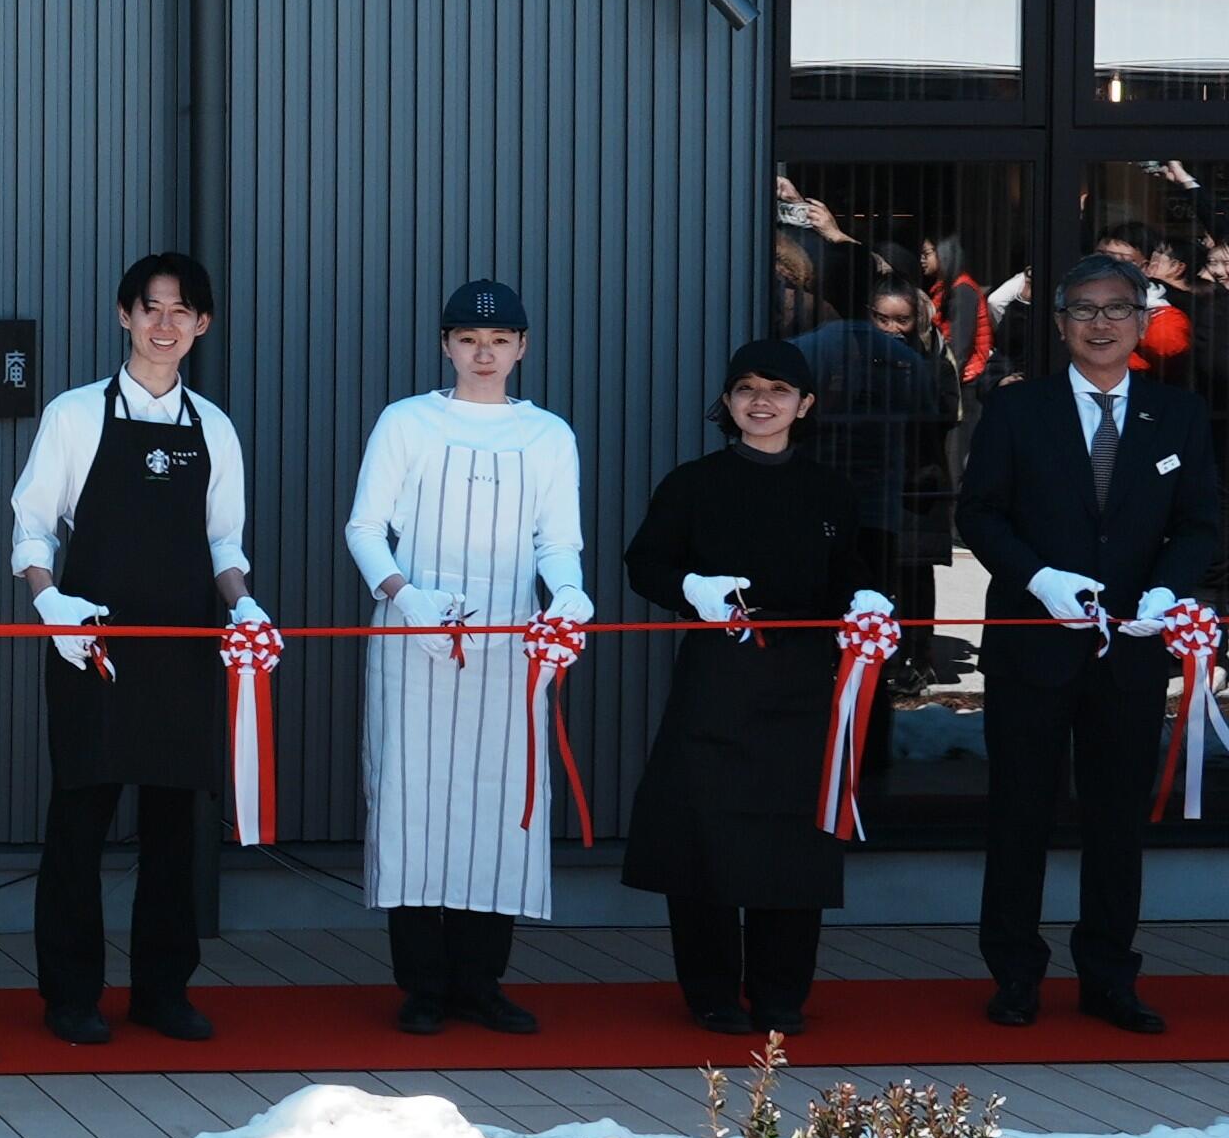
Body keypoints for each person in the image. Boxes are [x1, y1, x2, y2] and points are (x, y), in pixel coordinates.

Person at [956, 252, 1228, 1030]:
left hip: (1131, 648)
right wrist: (1039, 578)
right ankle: (1014, 973)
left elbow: (1200, 524)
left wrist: (1165, 591)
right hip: (1031, 644)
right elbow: (977, 514)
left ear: (1142, 321)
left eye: (1116, 309)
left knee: (1116, 821)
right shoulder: (1018, 408)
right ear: (1058, 322)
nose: (1100, 323)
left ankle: (1108, 975)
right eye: (1083, 308)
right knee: (1019, 814)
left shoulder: (1177, 414)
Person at [9, 251, 253, 1046]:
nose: (164, 323)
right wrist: (48, 600)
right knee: (79, 817)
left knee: (175, 824)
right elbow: (33, 525)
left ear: (201, 324)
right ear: (125, 316)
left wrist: (244, 605)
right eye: (151, 307)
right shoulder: (75, 414)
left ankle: (162, 990)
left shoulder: (213, 427)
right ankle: (69, 993)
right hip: (92, 642)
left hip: (183, 646)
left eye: (181, 310)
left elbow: (223, 543)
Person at [342, 281, 590, 1037]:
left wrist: (568, 594)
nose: (484, 354)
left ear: (521, 348)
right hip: (413, 636)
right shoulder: (406, 421)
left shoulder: (547, 435)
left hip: (511, 645)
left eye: (499, 341)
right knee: (411, 798)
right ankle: (421, 985)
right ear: (446, 345)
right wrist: (402, 593)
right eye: (468, 340)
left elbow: (556, 540)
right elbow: (364, 527)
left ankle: (481, 982)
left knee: (500, 804)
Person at [619, 343, 888, 1036]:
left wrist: (864, 596)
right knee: (703, 832)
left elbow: (847, 566)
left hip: (804, 682)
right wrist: (692, 588)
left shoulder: (829, 489)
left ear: (805, 404)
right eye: (745, 388)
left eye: (777, 389)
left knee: (793, 837)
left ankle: (779, 993)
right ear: (727, 401)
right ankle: (710, 992)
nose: (760, 401)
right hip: (719, 675)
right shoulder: (692, 484)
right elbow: (645, 563)